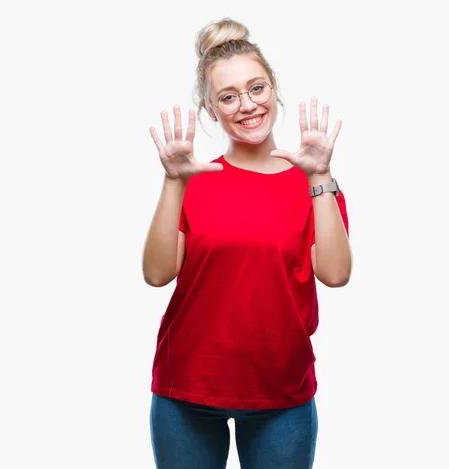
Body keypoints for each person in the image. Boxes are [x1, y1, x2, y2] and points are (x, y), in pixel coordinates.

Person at [142, 17, 352, 469]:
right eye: (228, 97)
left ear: (273, 88)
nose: (247, 105)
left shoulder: (317, 186)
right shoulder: (192, 182)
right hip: (187, 391)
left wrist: (319, 176)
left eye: (256, 88)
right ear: (211, 110)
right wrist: (172, 182)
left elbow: (335, 275)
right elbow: (157, 274)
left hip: (281, 394)